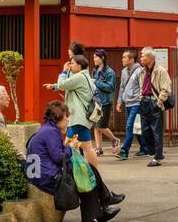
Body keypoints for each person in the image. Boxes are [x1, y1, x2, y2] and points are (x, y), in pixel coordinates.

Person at [26, 101, 120, 222]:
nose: (68, 120)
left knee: (87, 170)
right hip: (47, 179)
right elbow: (59, 158)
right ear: (57, 118)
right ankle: (93, 215)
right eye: (66, 117)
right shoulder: (51, 132)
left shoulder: (46, 129)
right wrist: (71, 147)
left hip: (41, 175)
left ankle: (100, 208)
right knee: (85, 174)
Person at [44, 55, 124, 204]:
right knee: (68, 144)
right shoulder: (86, 76)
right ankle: (77, 172)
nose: (70, 65)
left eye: (72, 63)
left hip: (77, 119)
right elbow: (66, 86)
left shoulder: (80, 77)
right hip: (79, 118)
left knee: (87, 147)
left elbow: (63, 84)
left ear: (80, 65)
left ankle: (94, 174)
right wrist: (55, 85)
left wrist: (62, 72)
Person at [137, 47, 172, 166]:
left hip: (155, 102)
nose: (141, 58)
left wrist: (159, 102)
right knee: (145, 130)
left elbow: (166, 88)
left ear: (150, 58)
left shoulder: (161, 71)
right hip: (144, 101)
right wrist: (140, 98)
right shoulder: (143, 71)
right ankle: (155, 151)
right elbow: (142, 87)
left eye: (143, 56)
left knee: (156, 131)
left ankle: (157, 157)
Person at [117, 48, 146, 160]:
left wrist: (139, 98)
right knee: (136, 127)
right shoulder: (124, 71)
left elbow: (142, 87)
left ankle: (124, 151)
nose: (122, 59)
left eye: (125, 57)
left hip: (136, 103)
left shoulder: (140, 71)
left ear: (131, 59)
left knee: (129, 126)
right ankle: (144, 148)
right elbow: (122, 87)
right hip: (127, 103)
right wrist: (119, 101)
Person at [92, 49, 118, 156]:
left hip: (105, 102)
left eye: (96, 57)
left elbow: (110, 87)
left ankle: (114, 139)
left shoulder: (109, 72)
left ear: (102, 58)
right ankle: (99, 149)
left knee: (101, 126)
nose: (94, 59)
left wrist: (97, 82)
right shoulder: (95, 70)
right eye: (93, 57)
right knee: (96, 126)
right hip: (96, 101)